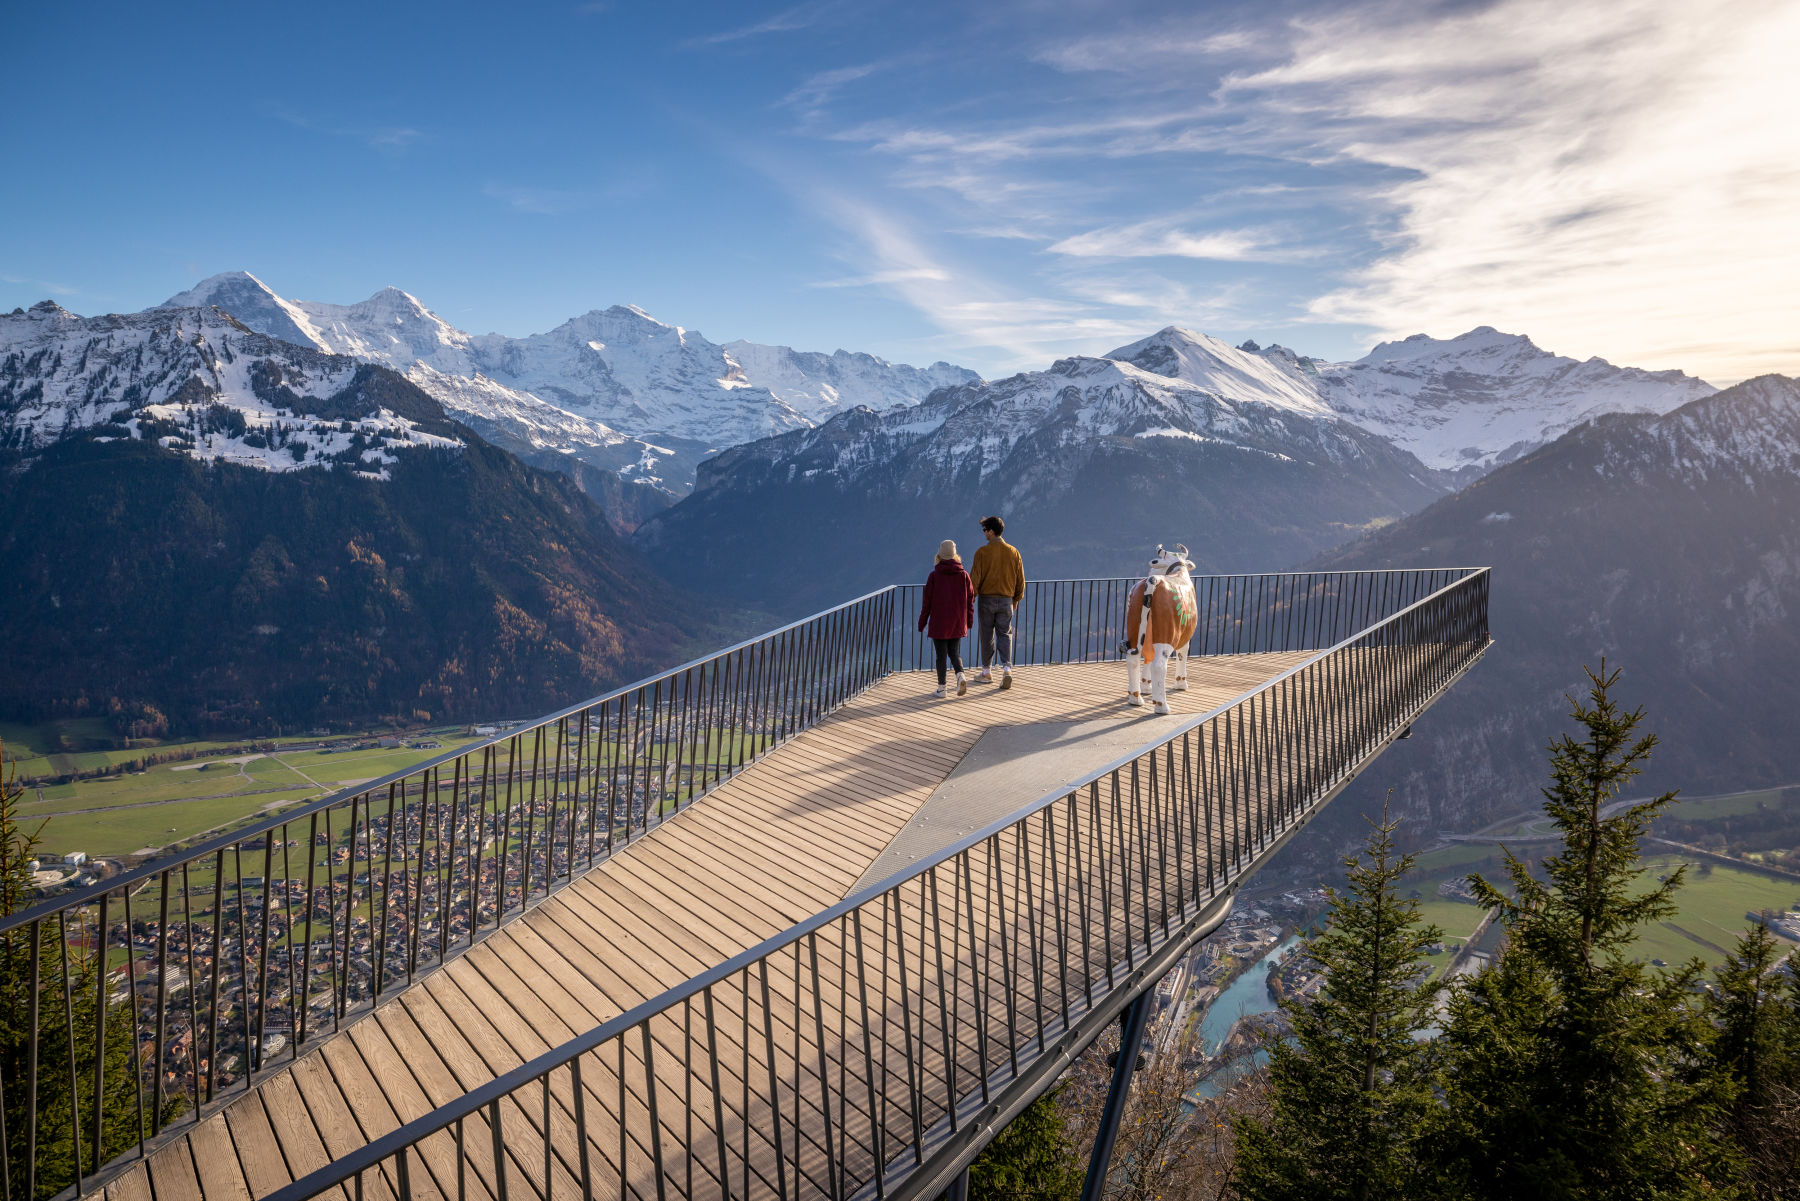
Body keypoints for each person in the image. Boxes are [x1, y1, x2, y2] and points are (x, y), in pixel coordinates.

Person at [970, 515, 1025, 689]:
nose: (984, 533)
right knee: (1005, 634)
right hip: (1007, 600)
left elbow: (974, 580)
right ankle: (1007, 668)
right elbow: (1020, 580)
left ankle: (986, 672)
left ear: (992, 531)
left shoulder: (982, 553)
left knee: (987, 635)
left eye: (985, 530)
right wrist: (1016, 599)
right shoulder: (1013, 552)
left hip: (987, 599)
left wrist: (970, 599)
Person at [917, 539, 975, 698]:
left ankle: (942, 689)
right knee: (954, 653)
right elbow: (970, 600)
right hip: (957, 621)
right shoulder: (964, 575)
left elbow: (926, 603)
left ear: (940, 554)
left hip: (939, 622)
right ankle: (960, 675)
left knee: (940, 655)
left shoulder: (934, 576)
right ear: (955, 555)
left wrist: (922, 622)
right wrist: (969, 621)